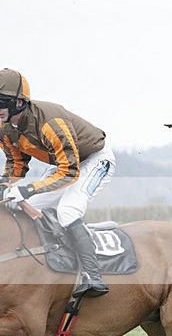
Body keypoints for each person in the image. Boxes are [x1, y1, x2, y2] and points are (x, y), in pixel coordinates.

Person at [0, 68, 116, 297]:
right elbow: (16, 165)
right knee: (20, 207)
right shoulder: (4, 127)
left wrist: (26, 189)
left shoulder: (50, 122)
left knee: (68, 211)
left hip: (94, 161)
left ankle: (93, 276)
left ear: (18, 103)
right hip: (64, 163)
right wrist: (5, 184)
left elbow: (70, 171)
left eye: (0, 102)